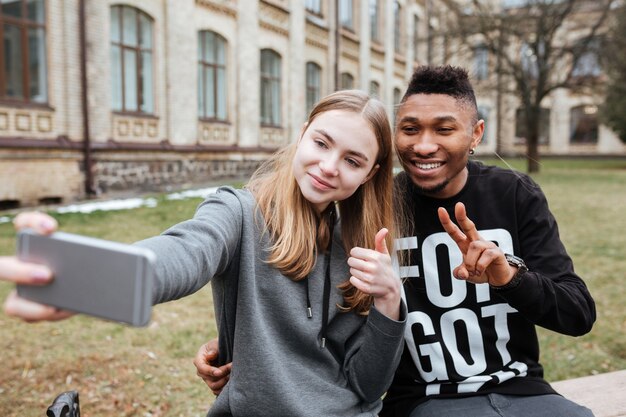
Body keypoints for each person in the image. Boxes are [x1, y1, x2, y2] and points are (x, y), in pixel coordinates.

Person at [195, 66, 597, 417]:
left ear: (476, 134)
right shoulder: (369, 208)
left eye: (444, 129)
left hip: (522, 391)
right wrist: (237, 346)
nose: (423, 146)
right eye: (409, 129)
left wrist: (508, 276)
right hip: (420, 401)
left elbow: (578, 313)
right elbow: (313, 307)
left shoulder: (514, 195)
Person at [1, 90, 407, 417]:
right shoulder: (239, 213)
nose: (329, 166)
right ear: (302, 134)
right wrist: (87, 280)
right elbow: (187, 250)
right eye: (321, 143)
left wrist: (390, 301)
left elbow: (368, 386)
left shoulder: (365, 249)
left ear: (370, 173)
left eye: (352, 160)